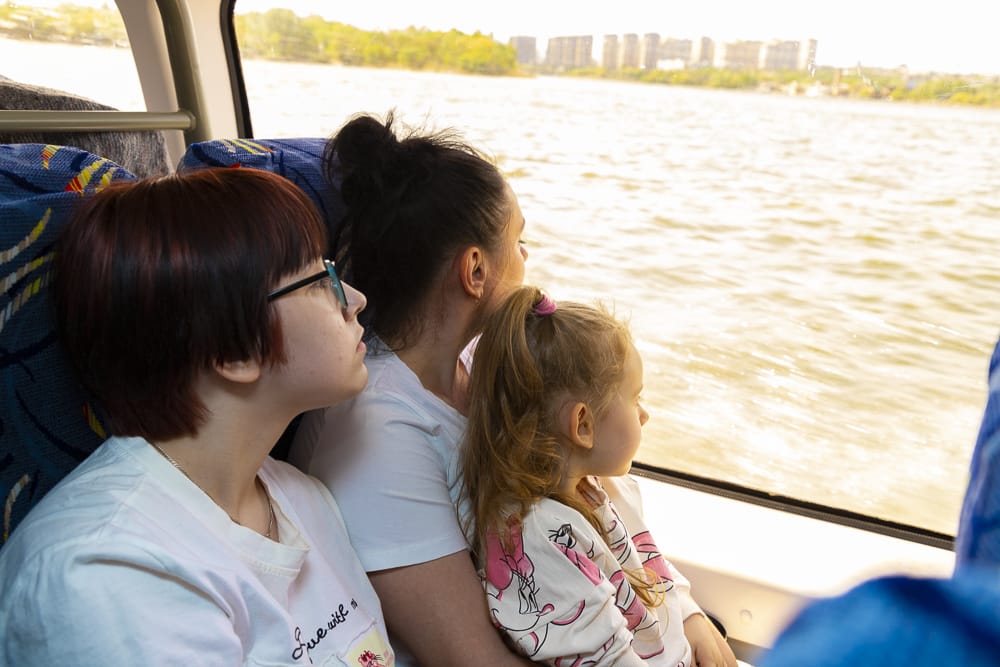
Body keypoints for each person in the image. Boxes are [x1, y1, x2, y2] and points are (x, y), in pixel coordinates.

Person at [0, 168, 395, 666]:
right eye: (321, 281)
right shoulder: (105, 574)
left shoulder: (301, 498)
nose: (355, 300)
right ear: (234, 350)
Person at [288, 111, 533, 666]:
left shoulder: (475, 366)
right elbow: (475, 660)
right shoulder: (380, 427)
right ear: (475, 270)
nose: (526, 261)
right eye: (520, 241)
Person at [459, 286, 737, 666]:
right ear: (583, 425)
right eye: (635, 398)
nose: (644, 415)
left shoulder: (595, 484)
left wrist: (691, 617)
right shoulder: (539, 541)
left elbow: (649, 565)